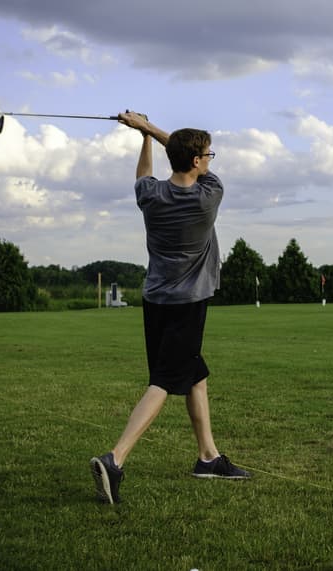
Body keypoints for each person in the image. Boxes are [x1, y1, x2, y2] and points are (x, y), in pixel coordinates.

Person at [90, 110, 251, 505]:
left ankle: (208, 457)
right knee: (164, 381)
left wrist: (142, 134)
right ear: (197, 162)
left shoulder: (151, 196)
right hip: (187, 304)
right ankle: (116, 459)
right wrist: (149, 129)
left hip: (155, 301)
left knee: (194, 373)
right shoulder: (208, 195)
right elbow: (175, 150)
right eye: (209, 155)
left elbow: (147, 172)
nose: (211, 160)